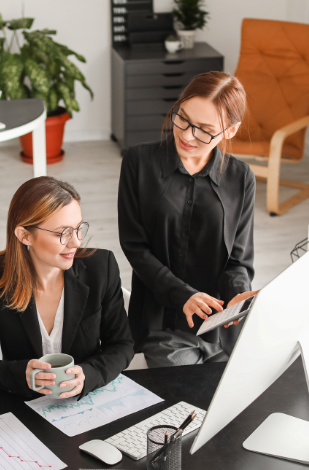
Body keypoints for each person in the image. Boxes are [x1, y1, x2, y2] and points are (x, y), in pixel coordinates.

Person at [118, 71, 257, 367]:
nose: (187, 135)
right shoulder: (137, 163)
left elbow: (239, 260)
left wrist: (238, 297)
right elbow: (135, 247)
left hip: (223, 328)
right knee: (186, 402)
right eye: (182, 118)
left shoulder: (241, 177)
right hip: (164, 326)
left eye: (204, 130)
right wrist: (184, 295)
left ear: (230, 131)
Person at [0, 177, 134, 399]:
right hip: (23, 407)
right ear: (25, 236)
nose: (75, 242)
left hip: (86, 402)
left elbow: (122, 345)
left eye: (78, 228)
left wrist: (89, 375)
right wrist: (21, 375)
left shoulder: (101, 267)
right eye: (62, 233)